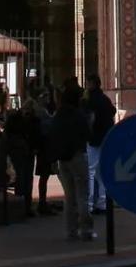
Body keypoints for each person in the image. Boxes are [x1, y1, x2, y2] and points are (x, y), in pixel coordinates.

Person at [49, 84, 94, 242]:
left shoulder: (57, 115)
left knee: (69, 197)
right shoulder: (79, 115)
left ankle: (71, 231)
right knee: (83, 195)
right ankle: (86, 230)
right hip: (77, 156)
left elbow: (52, 135)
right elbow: (88, 135)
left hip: (63, 159)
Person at [4, 88, 41, 217]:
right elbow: (9, 134)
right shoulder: (15, 118)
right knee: (21, 177)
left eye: (30, 112)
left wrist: (35, 147)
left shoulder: (34, 120)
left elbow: (36, 135)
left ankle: (26, 205)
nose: (28, 113)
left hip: (28, 152)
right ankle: (20, 205)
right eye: (27, 110)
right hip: (19, 152)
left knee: (27, 178)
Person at [84, 73, 116, 213]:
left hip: (94, 139)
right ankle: (102, 202)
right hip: (106, 137)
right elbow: (113, 111)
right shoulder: (105, 99)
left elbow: (89, 119)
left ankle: (90, 203)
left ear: (92, 84)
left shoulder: (90, 100)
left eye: (88, 83)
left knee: (90, 171)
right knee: (101, 171)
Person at [31, 80, 59, 214]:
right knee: (45, 175)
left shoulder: (42, 110)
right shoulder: (40, 111)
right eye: (46, 95)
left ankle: (43, 202)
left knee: (45, 175)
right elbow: (48, 127)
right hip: (44, 147)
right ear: (40, 97)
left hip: (44, 147)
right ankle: (42, 203)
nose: (49, 98)